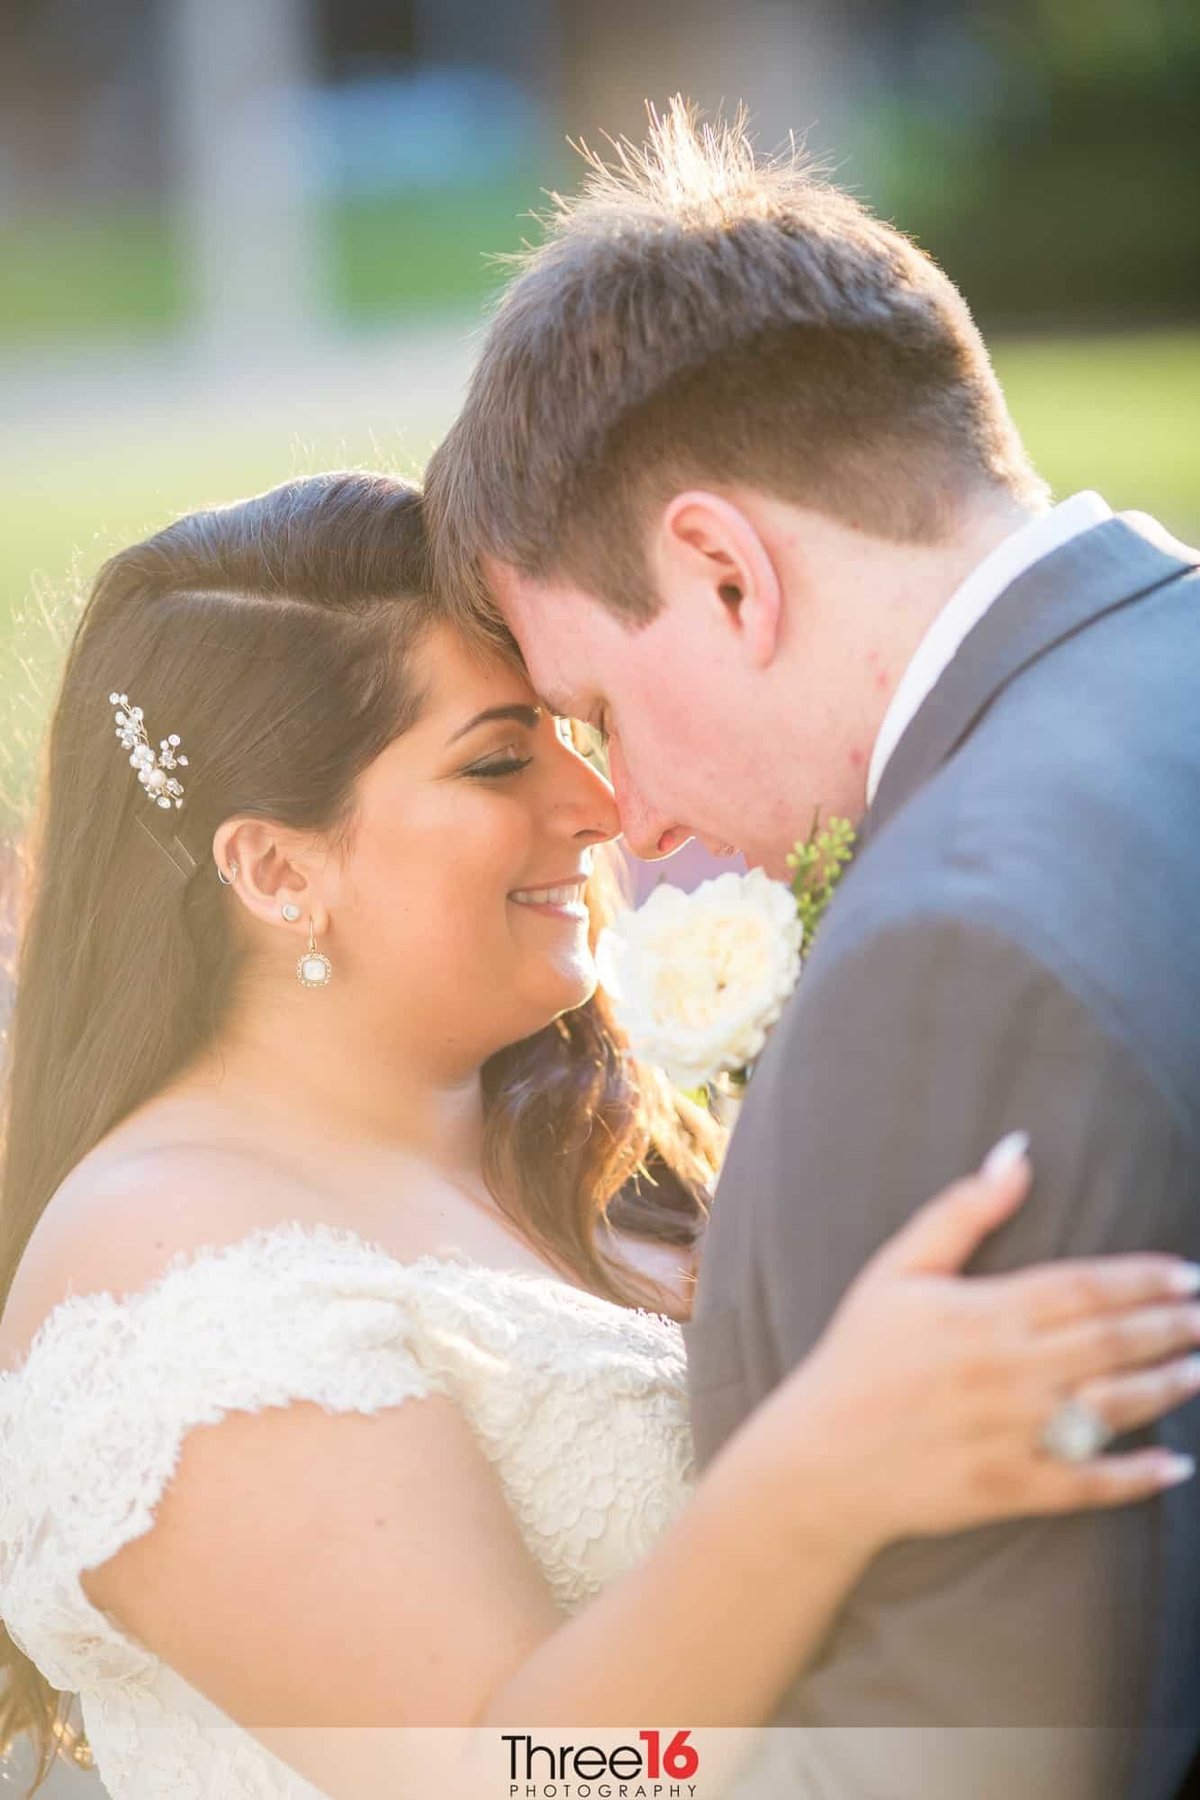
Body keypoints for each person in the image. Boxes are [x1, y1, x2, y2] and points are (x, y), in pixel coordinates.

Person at [0, 475, 1197, 1800]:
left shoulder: (572, 1131)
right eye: (499, 759)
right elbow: (513, 1778)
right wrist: (824, 1472)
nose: (605, 806)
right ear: (278, 871)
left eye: (575, 731)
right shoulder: (171, 1275)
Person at [423, 102, 1200, 1799]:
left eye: (598, 710)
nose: (624, 820)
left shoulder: (956, 963)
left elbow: (964, 1758)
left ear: (721, 572)